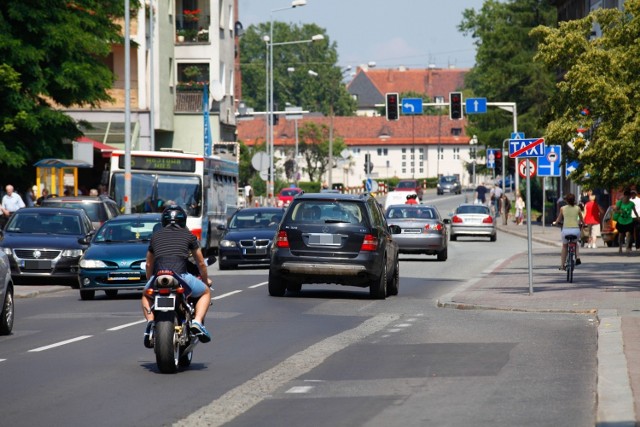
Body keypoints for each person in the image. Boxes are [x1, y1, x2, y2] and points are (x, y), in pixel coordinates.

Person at [141, 205, 212, 346]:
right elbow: (201, 263)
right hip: (181, 276)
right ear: (183, 221)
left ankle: (150, 322)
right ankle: (197, 322)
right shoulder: (189, 236)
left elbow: (149, 264)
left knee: (145, 295)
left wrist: (150, 280)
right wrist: (205, 281)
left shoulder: (156, 236)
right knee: (205, 292)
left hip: (159, 277)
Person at [553, 193, 584, 270]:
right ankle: (578, 257)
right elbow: (582, 219)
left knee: (564, 246)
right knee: (575, 243)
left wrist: (555, 223)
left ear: (566, 200)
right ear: (574, 200)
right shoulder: (577, 208)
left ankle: (562, 265)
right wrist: (583, 223)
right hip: (576, 230)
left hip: (566, 230)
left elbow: (559, 219)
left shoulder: (562, 208)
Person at [612, 189, 638, 254]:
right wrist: (619, 211)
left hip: (629, 221)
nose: (627, 198)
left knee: (628, 234)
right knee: (621, 235)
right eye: (626, 196)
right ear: (624, 196)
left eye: (628, 197)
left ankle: (627, 247)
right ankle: (620, 247)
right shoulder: (619, 202)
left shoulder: (632, 204)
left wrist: (638, 217)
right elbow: (615, 210)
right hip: (621, 221)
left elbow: (635, 211)